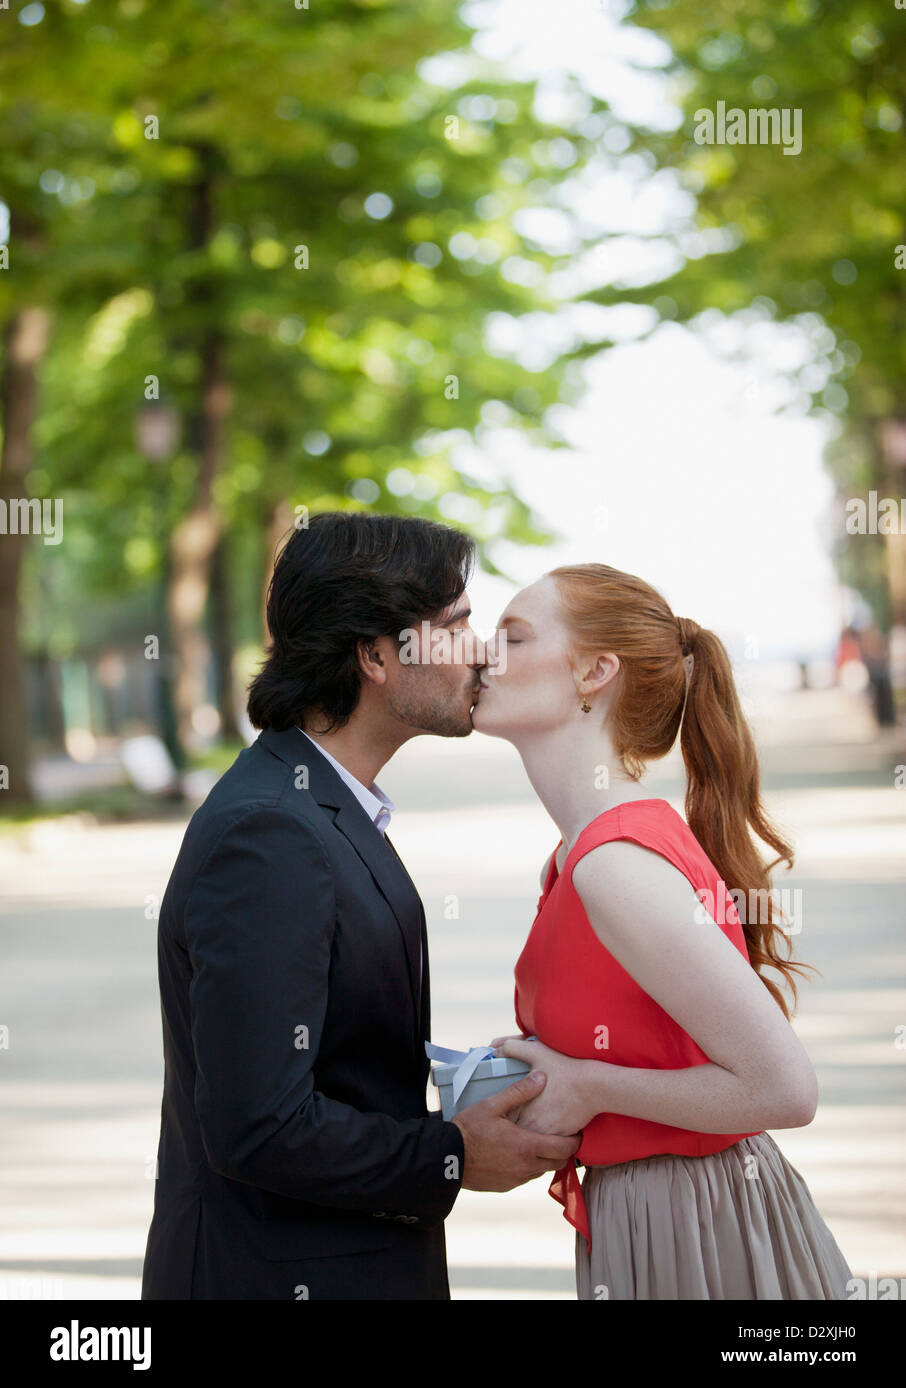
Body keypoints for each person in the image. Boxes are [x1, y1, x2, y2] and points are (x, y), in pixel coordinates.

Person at [140, 512, 579, 1301]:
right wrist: (450, 1154)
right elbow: (258, 1124)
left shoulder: (321, 804)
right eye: (455, 625)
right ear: (375, 655)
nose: (481, 650)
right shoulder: (270, 832)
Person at [473, 563, 853, 1300]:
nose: (484, 654)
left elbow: (785, 1090)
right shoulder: (584, 853)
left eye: (513, 637)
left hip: (697, 1225)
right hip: (661, 1216)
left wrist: (588, 1086)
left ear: (594, 672)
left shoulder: (613, 863)